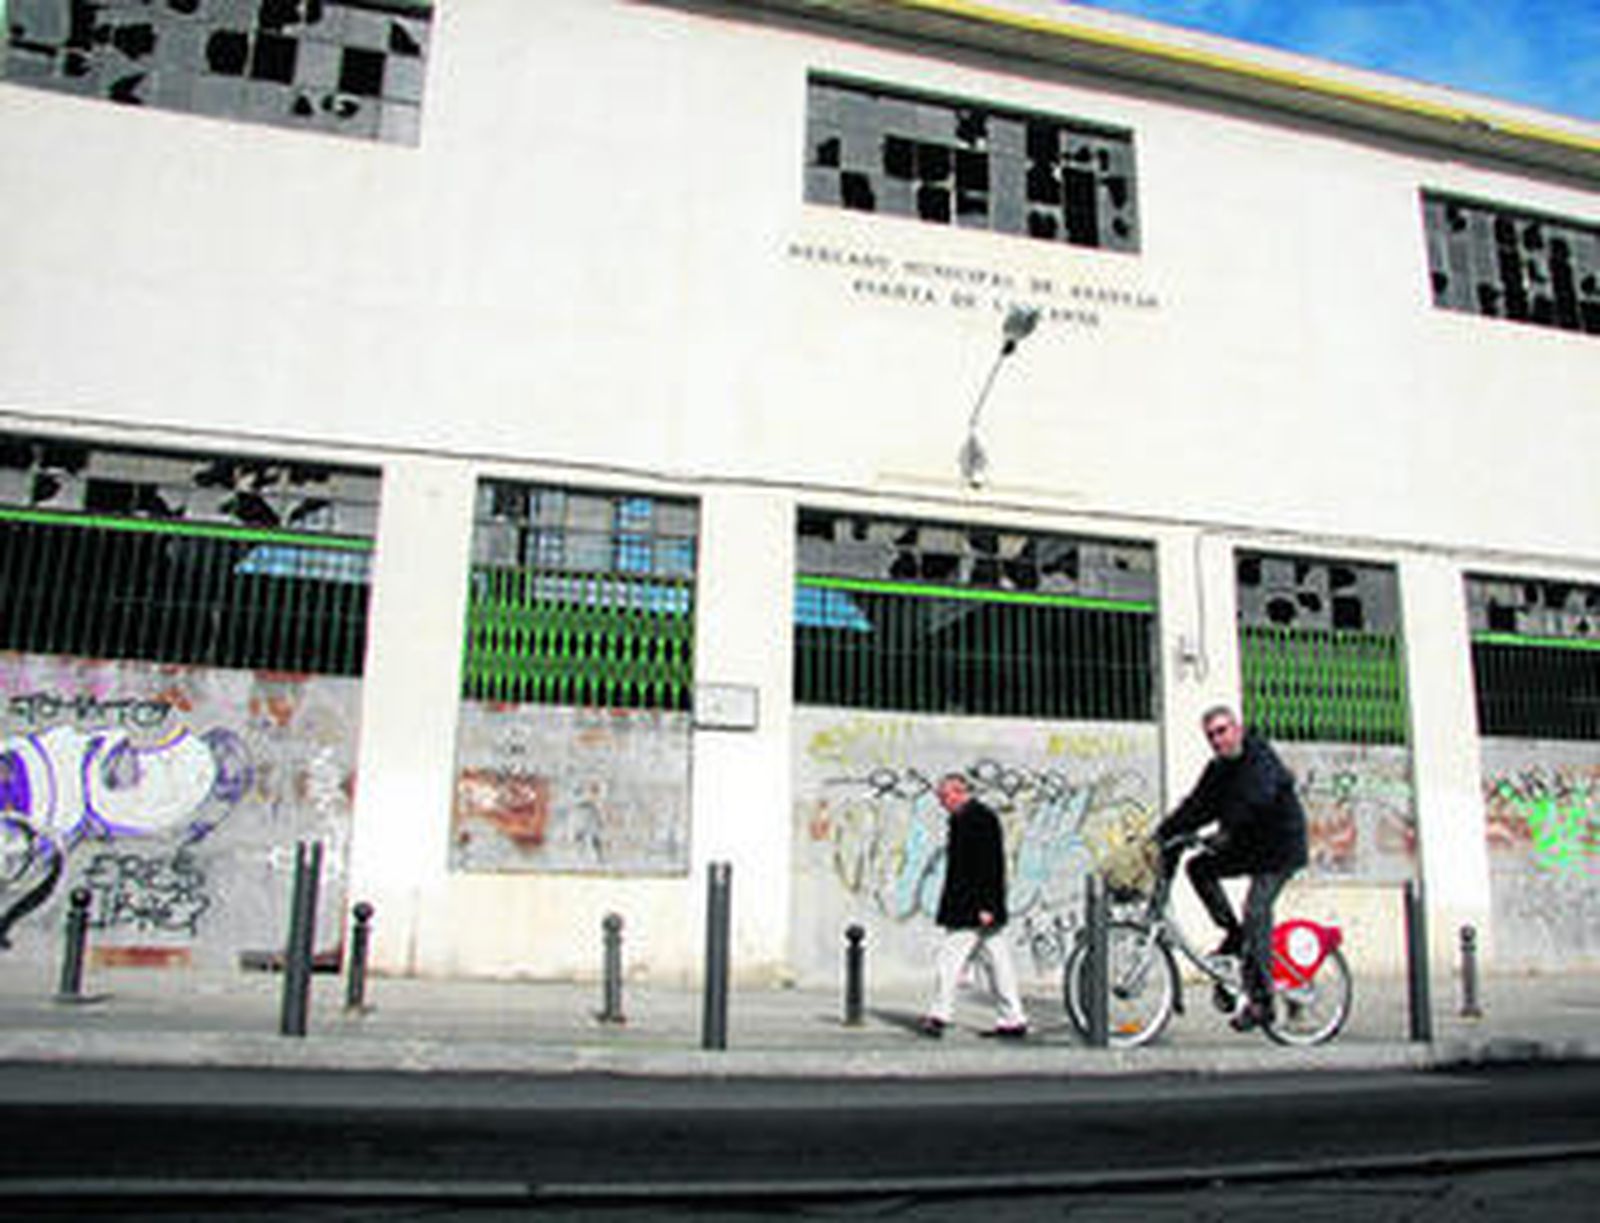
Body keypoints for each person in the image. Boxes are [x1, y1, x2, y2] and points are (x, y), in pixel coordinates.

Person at [1157, 705, 1308, 1031]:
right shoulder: (1218, 769)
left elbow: (1256, 797)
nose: (1217, 739)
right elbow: (1196, 806)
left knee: (1256, 909)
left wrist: (1224, 833)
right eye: (1211, 735)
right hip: (1247, 846)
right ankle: (1236, 935)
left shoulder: (1259, 756)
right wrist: (1163, 834)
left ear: (1237, 729)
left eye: (1222, 730)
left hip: (1279, 847)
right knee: (1199, 868)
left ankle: (1263, 1000)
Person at [918, 772, 1029, 1039]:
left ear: (959, 792)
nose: (941, 802)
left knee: (949, 960)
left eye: (944, 796)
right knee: (998, 964)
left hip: (972, 908)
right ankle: (1013, 1018)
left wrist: (987, 905)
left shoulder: (978, 819)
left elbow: (991, 865)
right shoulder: (966, 818)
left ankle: (939, 1016)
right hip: (974, 907)